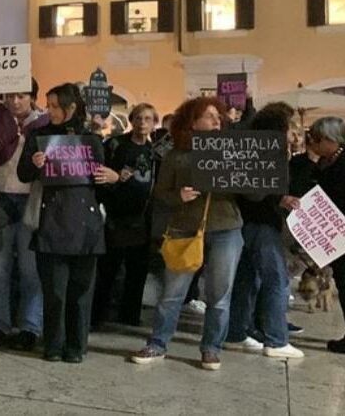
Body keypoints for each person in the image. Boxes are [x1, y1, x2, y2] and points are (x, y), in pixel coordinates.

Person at [130, 97, 244, 371]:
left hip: (226, 227)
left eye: (219, 116)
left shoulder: (234, 151)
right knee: (172, 293)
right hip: (185, 227)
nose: (217, 120)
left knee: (219, 295)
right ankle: (157, 343)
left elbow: (253, 192)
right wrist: (178, 196)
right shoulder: (177, 155)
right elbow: (160, 193)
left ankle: (211, 348)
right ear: (193, 122)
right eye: (209, 116)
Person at [17, 83, 113, 363]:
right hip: (51, 222)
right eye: (48, 105)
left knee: (80, 291)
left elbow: (100, 181)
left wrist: (113, 177)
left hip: (85, 225)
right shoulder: (39, 135)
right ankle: (53, 344)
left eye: (55, 106)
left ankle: (76, 345)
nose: (50, 111)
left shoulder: (91, 139)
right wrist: (35, 163)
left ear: (71, 108)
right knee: (54, 291)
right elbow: (23, 174)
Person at [223, 103, 304, 359]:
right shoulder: (272, 152)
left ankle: (235, 333)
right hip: (263, 224)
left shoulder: (252, 147)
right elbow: (258, 192)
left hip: (245, 222)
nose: (296, 132)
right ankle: (277, 340)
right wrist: (280, 198)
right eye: (292, 126)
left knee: (246, 280)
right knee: (277, 281)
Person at [0, 80, 48, 350]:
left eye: (21, 96)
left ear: (32, 97)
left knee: (30, 269)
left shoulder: (44, 125)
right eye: (10, 96)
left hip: (31, 199)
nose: (15, 101)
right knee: (0, 268)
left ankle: (30, 325)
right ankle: (1, 323)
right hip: (1, 198)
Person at [92, 103, 158, 328]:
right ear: (131, 120)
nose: (142, 123)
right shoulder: (115, 145)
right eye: (138, 118)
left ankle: (130, 316)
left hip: (142, 220)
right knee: (108, 270)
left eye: (147, 119)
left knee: (137, 272)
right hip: (116, 218)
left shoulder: (153, 153)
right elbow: (101, 178)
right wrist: (115, 182)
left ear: (154, 123)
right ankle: (98, 315)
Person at [306, 117, 345, 354]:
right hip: (336, 235)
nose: (313, 144)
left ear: (330, 140)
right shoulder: (326, 161)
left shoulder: (340, 164)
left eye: (316, 140)